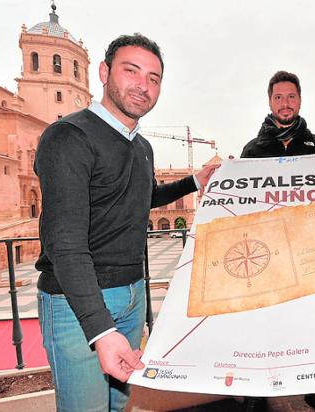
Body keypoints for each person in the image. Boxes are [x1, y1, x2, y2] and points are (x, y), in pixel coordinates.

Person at [34, 33, 218, 411]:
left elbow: (144, 197)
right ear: (103, 72)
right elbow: (65, 245)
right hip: (76, 301)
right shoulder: (68, 137)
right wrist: (100, 329)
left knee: (118, 406)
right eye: (131, 71)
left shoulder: (141, 146)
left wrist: (196, 181)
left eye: (153, 78)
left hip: (132, 294)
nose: (143, 85)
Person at [240, 71, 315, 412]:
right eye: (279, 97)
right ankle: (257, 392)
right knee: (263, 323)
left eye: (291, 97)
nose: (285, 103)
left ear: (300, 100)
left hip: (307, 250)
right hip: (267, 252)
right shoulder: (252, 150)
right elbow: (244, 204)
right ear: (270, 102)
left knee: (312, 321)